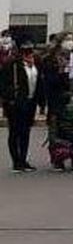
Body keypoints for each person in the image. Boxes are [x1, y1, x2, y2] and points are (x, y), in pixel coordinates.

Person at [3, 44, 44, 172]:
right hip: (15, 104)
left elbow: (38, 83)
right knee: (15, 132)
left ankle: (23, 159)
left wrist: (41, 103)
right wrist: (9, 99)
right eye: (27, 53)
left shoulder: (36, 65)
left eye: (31, 52)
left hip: (30, 103)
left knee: (25, 132)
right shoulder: (13, 65)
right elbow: (3, 83)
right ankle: (16, 161)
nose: (30, 55)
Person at [46, 86, 73, 171]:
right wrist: (65, 142)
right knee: (62, 150)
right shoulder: (56, 116)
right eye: (72, 102)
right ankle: (58, 162)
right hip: (62, 142)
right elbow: (52, 136)